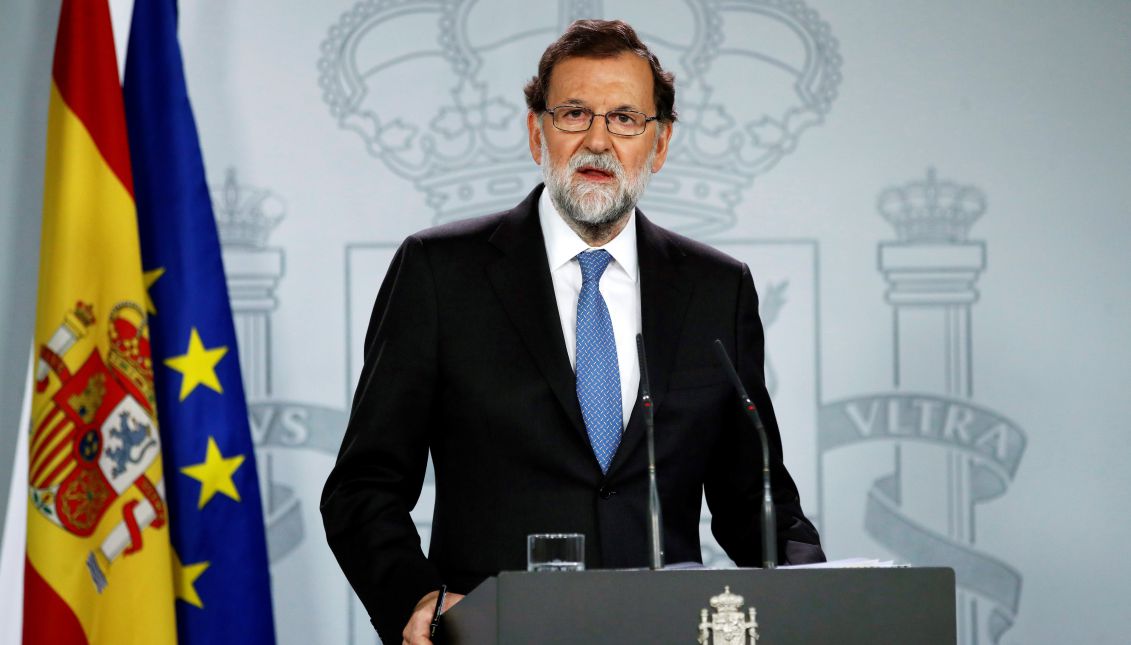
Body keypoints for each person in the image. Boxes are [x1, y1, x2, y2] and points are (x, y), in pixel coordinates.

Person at [321, 19, 825, 645]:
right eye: (574, 114)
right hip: (493, 634)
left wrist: (822, 598)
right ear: (537, 132)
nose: (598, 141)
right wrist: (415, 595)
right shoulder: (440, 274)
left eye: (624, 119)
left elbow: (755, 497)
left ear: (659, 145)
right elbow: (363, 486)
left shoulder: (717, 289)